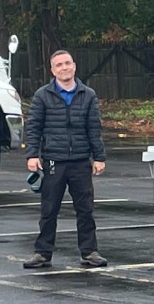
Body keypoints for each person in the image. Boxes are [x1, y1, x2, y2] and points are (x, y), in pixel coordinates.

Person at [21, 49, 107, 270]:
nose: (64, 68)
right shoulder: (42, 95)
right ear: (52, 70)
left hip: (80, 161)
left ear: (75, 66)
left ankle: (89, 252)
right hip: (53, 161)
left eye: (67, 63)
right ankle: (42, 253)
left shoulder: (88, 95)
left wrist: (99, 157)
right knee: (49, 209)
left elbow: (94, 128)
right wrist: (32, 154)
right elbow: (34, 127)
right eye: (59, 65)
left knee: (85, 209)